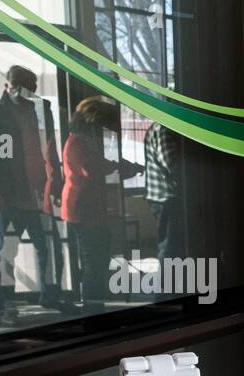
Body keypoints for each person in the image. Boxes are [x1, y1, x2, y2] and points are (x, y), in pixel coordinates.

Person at [0, 65, 66, 325]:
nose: (21, 91)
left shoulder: (41, 109)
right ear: (7, 86)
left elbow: (50, 148)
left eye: (26, 87)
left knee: (47, 248)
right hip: (5, 198)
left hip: (35, 195)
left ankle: (49, 297)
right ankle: (4, 307)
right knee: (3, 254)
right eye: (16, 86)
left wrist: (54, 186)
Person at [61, 96, 141, 312]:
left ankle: (95, 309)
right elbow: (91, 168)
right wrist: (117, 166)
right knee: (93, 265)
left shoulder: (82, 140)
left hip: (89, 209)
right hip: (82, 210)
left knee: (97, 261)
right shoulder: (77, 142)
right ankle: (92, 311)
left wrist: (117, 166)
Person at [144, 122, 184, 264]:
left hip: (162, 197)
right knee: (170, 247)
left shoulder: (159, 127)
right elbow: (171, 163)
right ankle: (165, 284)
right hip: (166, 197)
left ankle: (169, 283)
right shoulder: (164, 128)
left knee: (171, 245)